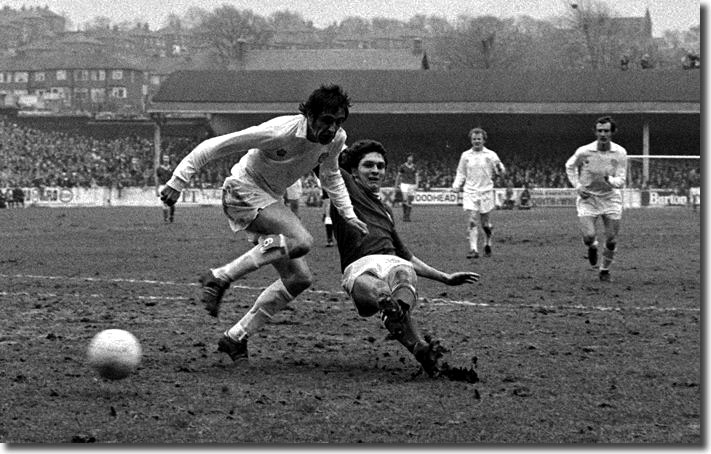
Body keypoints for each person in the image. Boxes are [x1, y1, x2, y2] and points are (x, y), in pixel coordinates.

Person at [160, 84, 368, 361]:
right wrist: (178, 181)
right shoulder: (279, 131)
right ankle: (220, 276)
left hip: (269, 199)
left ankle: (235, 337)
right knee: (302, 241)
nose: (332, 128)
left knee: (298, 279)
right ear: (309, 115)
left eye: (338, 121)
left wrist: (349, 214)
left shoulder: (336, 139)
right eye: (326, 120)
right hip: (241, 189)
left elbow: (331, 176)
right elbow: (214, 146)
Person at [331, 139, 479, 376]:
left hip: (393, 264)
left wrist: (445, 278)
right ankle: (404, 325)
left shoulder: (387, 211)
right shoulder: (345, 192)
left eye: (380, 166)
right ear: (354, 173)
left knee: (400, 275)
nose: (376, 171)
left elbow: (406, 256)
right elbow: (325, 159)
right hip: (359, 268)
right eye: (368, 165)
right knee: (381, 292)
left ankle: (421, 349)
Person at [565, 115, 627, 282]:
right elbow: (569, 166)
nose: (603, 134)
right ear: (595, 132)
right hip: (589, 198)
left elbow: (621, 180)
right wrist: (578, 187)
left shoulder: (620, 153)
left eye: (606, 131)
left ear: (612, 132)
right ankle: (592, 246)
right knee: (589, 236)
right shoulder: (584, 151)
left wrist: (610, 180)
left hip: (610, 198)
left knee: (612, 240)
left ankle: (604, 270)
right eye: (600, 131)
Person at [452, 127, 505, 259]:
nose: (476, 141)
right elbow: (461, 172)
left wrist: (500, 168)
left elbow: (500, 171)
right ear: (471, 140)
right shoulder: (465, 155)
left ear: (484, 140)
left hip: (486, 191)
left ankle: (487, 243)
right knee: (472, 220)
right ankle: (473, 249)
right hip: (470, 191)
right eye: (474, 139)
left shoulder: (491, 155)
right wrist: (456, 185)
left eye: (479, 139)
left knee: (485, 224)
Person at [394, 154, 418, 221]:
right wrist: (396, 185)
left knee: (410, 200)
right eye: (409, 157)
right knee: (405, 199)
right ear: (407, 158)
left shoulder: (415, 167)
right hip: (404, 184)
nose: (410, 158)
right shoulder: (402, 166)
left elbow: (416, 176)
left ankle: (407, 216)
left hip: (412, 185)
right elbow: (398, 176)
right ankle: (405, 216)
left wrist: (417, 184)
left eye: (411, 157)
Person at [156, 155, 175, 223]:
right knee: (164, 204)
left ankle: (171, 216)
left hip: (170, 186)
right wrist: (157, 189)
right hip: (162, 186)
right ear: (163, 159)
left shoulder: (172, 168)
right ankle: (166, 219)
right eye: (164, 158)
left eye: (167, 158)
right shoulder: (159, 169)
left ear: (169, 159)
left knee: (172, 203)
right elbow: (158, 179)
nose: (165, 159)